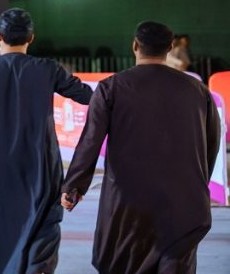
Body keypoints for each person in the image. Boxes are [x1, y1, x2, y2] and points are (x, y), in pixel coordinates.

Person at [61, 21, 220, 273]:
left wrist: (74, 186)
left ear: (135, 46)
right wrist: (197, 183)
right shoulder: (197, 90)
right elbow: (211, 142)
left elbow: (90, 140)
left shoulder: (111, 87)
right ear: (170, 47)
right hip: (183, 204)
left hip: (128, 203)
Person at [0, 8, 93, 274]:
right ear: (31, 38)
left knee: (1, 232)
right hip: (41, 167)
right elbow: (89, 97)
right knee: (43, 229)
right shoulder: (48, 69)